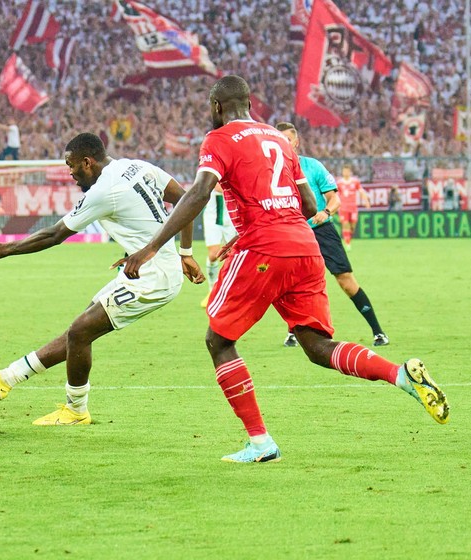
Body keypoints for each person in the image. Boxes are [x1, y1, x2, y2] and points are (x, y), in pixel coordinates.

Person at [121, 76, 448, 463]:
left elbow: (197, 193)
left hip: (265, 247)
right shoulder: (278, 139)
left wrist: (152, 247)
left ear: (216, 107)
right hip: (304, 246)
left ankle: (260, 443)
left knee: (219, 340)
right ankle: (399, 375)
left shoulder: (219, 139)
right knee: (316, 346)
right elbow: (310, 206)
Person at [0, 133, 204, 425]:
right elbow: (187, 200)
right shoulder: (137, 166)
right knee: (79, 332)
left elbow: (55, 234)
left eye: (71, 165)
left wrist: (6, 249)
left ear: (87, 162)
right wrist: (185, 252)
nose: (70, 173)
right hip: (146, 268)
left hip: (154, 277)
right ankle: (5, 378)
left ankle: (75, 410)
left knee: (80, 331)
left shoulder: (102, 191)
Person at [276, 123, 389, 348]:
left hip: (321, 231)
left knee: (345, 280)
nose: (282, 145)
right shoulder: (272, 171)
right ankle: (293, 331)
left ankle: (378, 331)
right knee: (290, 285)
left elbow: (335, 199)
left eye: (286, 140)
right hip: (291, 232)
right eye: (278, 141)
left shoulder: (313, 166)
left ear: (295, 142)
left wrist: (325, 212)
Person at [200, 185, 237, 307]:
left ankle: (229, 291)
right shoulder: (214, 167)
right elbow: (217, 186)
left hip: (232, 217)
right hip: (213, 217)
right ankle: (212, 290)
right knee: (213, 254)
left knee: (232, 255)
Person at [336, 164, 371, 249]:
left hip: (353, 208)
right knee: (345, 224)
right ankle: (347, 244)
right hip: (343, 208)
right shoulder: (339, 183)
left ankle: (348, 238)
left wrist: (366, 201)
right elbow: (336, 195)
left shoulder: (355, 182)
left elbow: (361, 191)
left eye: (347, 171)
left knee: (352, 226)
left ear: (350, 172)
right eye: (344, 171)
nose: (346, 173)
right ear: (342, 172)